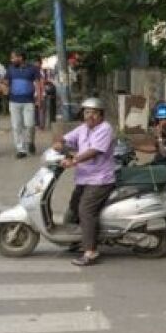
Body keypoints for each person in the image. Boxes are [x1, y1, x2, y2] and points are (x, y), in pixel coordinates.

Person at [53, 97, 116, 267]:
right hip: (84, 177)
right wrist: (59, 143)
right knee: (73, 207)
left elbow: (94, 151)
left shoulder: (105, 129)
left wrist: (74, 160)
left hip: (100, 179)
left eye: (94, 113)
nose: (90, 116)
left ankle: (91, 251)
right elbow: (66, 139)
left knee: (85, 210)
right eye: (87, 112)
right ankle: (77, 240)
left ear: (101, 115)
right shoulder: (83, 128)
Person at [5, 51, 42, 158]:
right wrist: (2, 85)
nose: (11, 60)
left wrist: (39, 100)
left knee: (30, 125)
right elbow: (6, 82)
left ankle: (31, 142)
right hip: (14, 102)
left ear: (20, 57)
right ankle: (21, 149)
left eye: (13, 58)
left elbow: (38, 84)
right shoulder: (10, 69)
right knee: (16, 126)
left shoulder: (33, 69)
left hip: (28, 102)